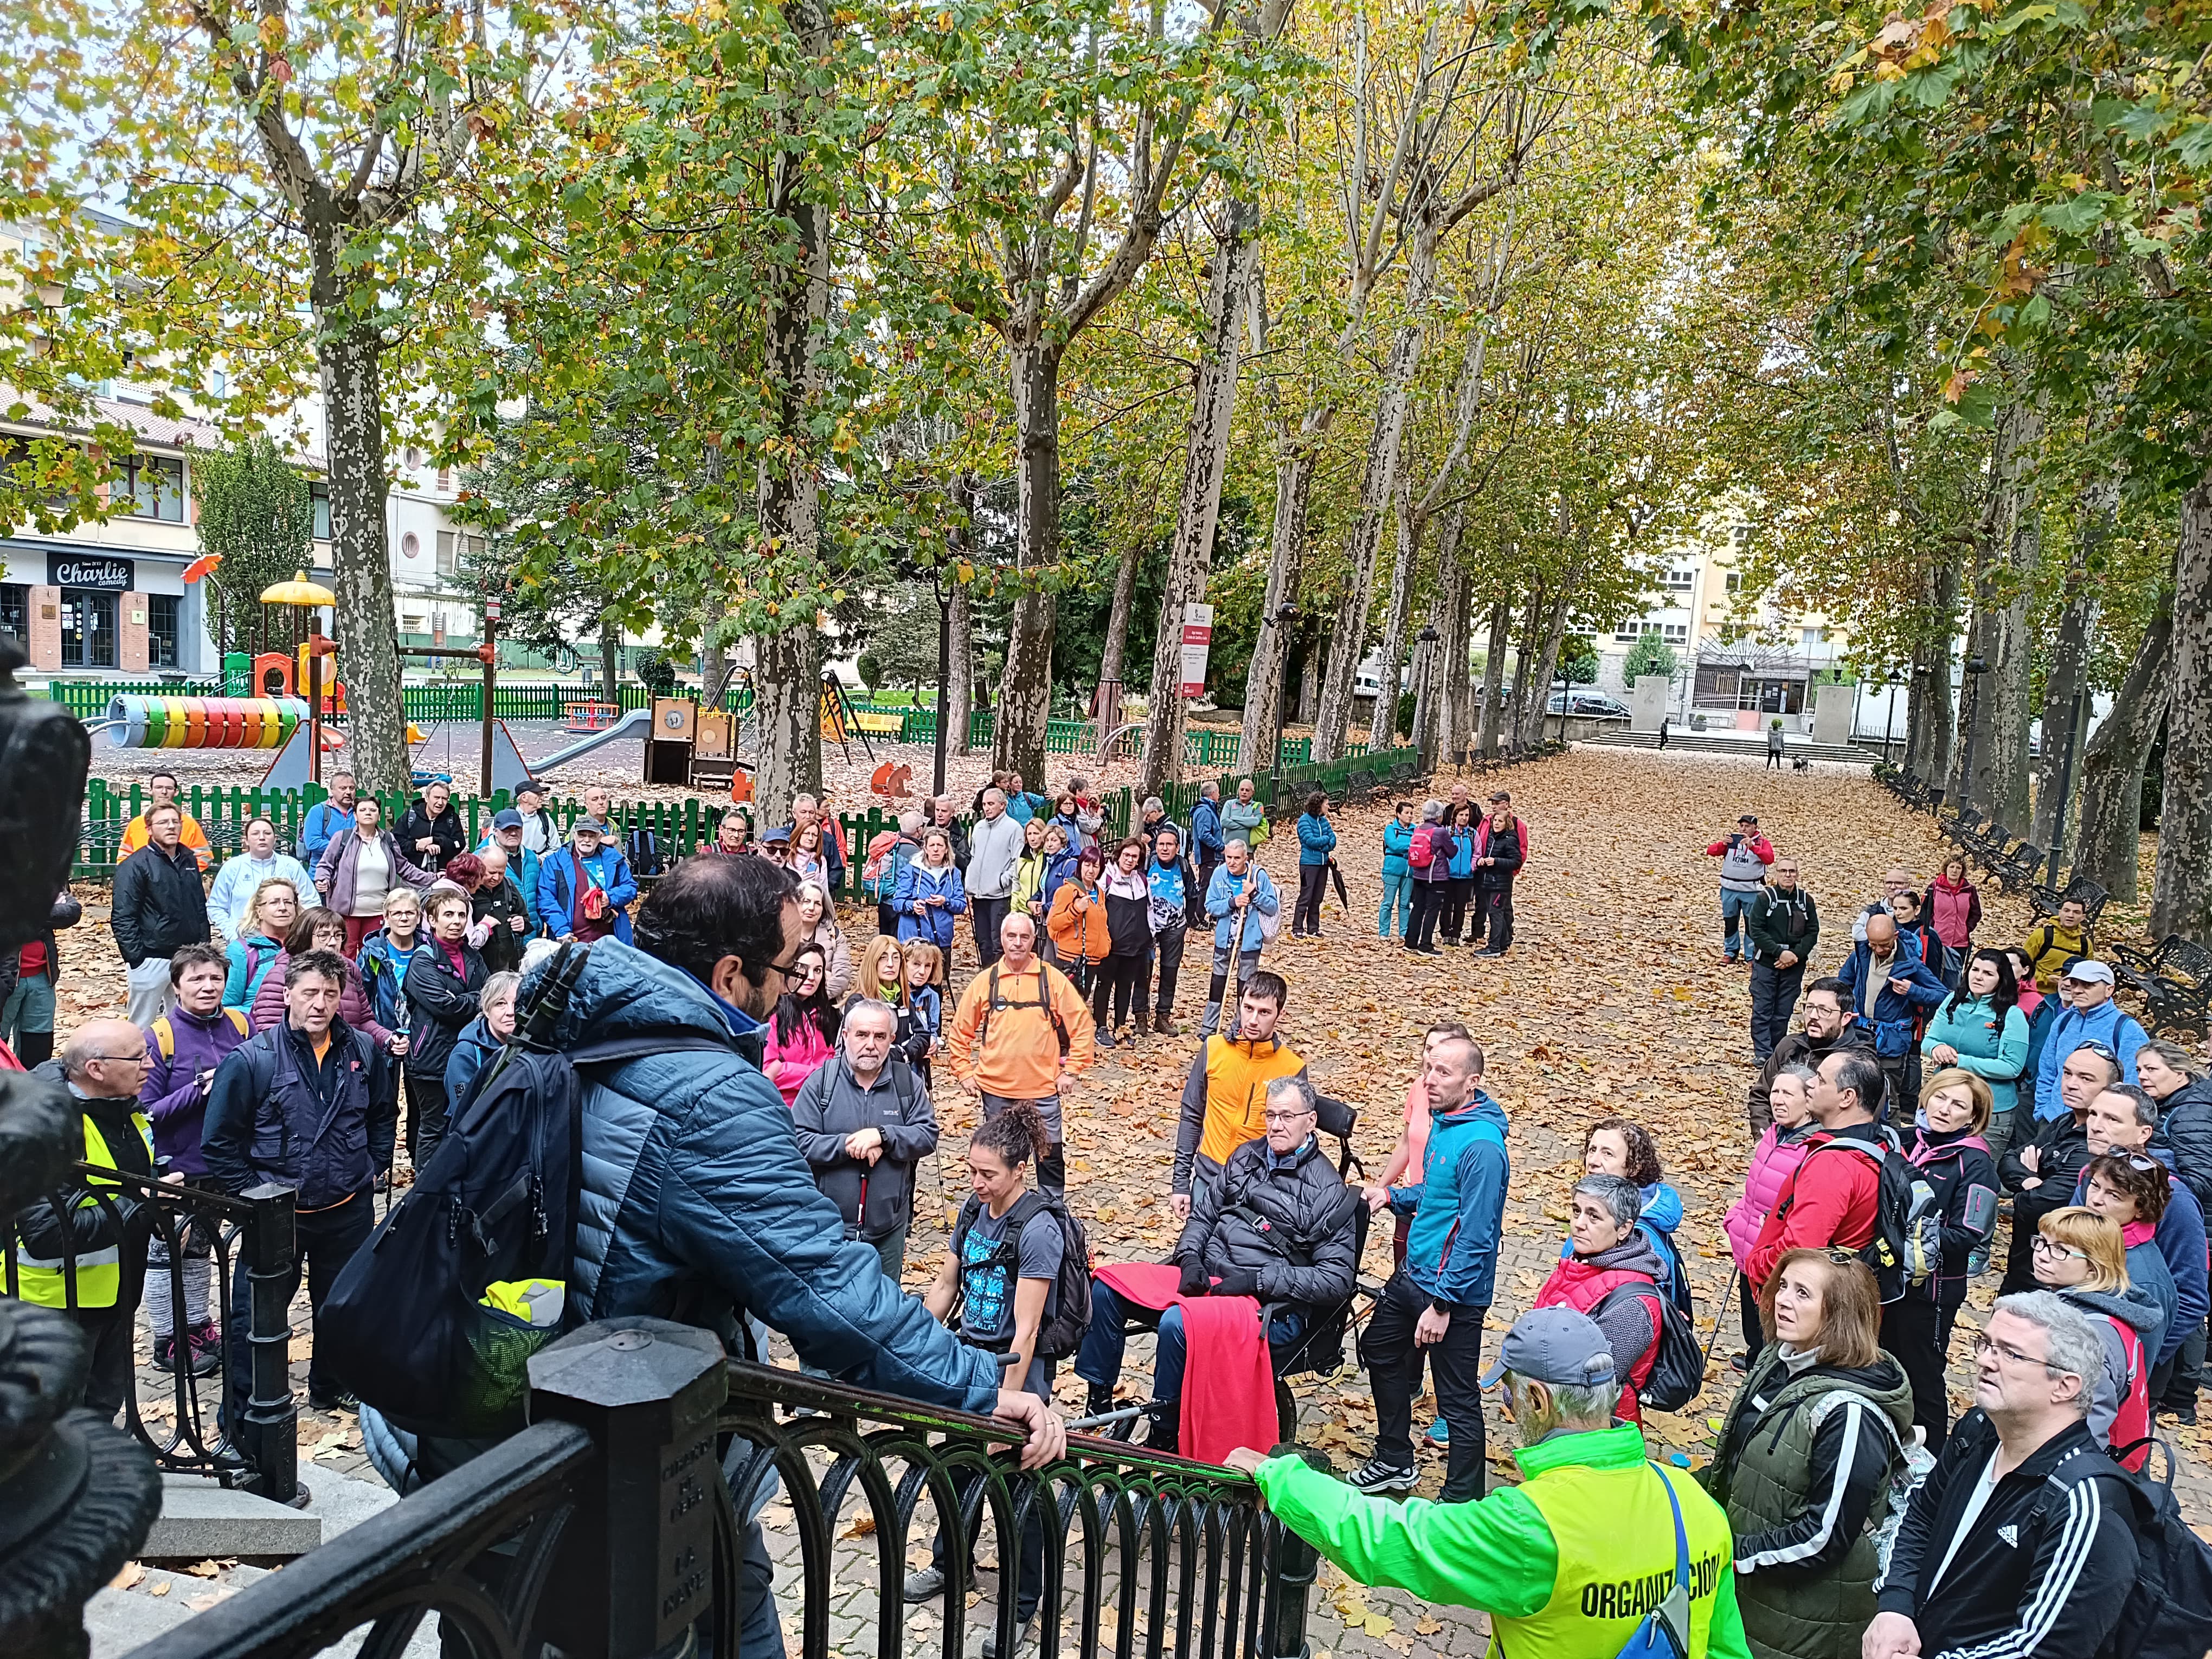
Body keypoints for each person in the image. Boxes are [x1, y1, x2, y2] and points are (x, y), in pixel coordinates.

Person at [400, 855, 1062, 1659]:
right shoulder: (706, 1093)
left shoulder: (563, 1020)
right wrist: (979, 1391)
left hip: (513, 1420)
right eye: (785, 965)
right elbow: (825, 1287)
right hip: (625, 1461)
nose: (791, 985)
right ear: (728, 972)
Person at [1230, 1305, 1753, 1659]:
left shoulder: (1531, 1527)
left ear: (1539, 1402)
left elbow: (1385, 1536)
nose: (1504, 1407)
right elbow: (1728, 1646)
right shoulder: (1693, 1501)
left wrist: (1281, 1476)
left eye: (1508, 1392)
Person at [1082, 1075, 1356, 1448]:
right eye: (1271, 1115)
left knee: (1177, 1325)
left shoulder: (1327, 1190)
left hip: (1265, 1305)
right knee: (1107, 1285)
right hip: (1207, 1280)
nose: (1276, 1125)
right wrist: (1190, 1256)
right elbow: (1204, 1215)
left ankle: (1163, 1437)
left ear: (1310, 1121)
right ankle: (1098, 1408)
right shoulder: (1246, 1155)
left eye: (1288, 1117)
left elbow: (1335, 1280)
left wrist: (1258, 1281)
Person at [1867, 1294, 2138, 1659]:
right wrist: (1896, 1606)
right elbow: (1921, 1515)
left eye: (2011, 1353)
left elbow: (2045, 1649)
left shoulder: (2085, 1503)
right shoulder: (1978, 1430)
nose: (1984, 1361)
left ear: (2065, 1386)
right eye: (1987, 1344)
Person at [204, 951, 395, 1416]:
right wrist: (256, 1195)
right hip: (276, 1213)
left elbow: (382, 1115)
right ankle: (245, 1412)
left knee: (342, 1305)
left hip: (346, 1207)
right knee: (255, 1316)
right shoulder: (253, 1060)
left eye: (331, 994)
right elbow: (220, 1142)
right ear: (288, 994)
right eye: (310, 993)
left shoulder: (363, 1051)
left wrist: (370, 1166)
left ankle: (332, 1385)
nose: (320, 1004)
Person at [912, 1099, 1064, 1654]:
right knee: (954, 1472)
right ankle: (952, 1566)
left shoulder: (1039, 1229)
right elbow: (947, 1286)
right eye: (971, 1170)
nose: (975, 1182)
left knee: (1017, 1495)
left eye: (987, 1174)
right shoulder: (972, 1211)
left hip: (1015, 1372)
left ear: (1019, 1170)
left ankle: (1023, 1605)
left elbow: (1026, 1332)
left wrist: (1009, 1403)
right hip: (969, 1361)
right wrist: (906, 1340)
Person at [1707, 1249, 1912, 1659]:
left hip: (1801, 1620)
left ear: (1840, 1314)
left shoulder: (1850, 1413)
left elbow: (1825, 1537)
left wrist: (1730, 1556)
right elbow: (1734, 1466)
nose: (1783, 1299)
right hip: (1744, 1593)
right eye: (1783, 1286)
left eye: (1803, 1293)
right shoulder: (1775, 1360)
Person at [1355, 1035, 1508, 1499]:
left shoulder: (1482, 1146)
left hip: (1452, 1295)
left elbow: (1478, 1234)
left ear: (1472, 1081)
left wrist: (1443, 1305)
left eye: (1443, 1072)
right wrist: (1392, 1195)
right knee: (1379, 1350)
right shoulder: (1446, 1123)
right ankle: (1395, 1460)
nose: (1430, 1080)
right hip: (1413, 1275)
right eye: (1427, 1069)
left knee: (1457, 1397)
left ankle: (1463, 1499)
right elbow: (1438, 1196)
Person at [6, 1020, 156, 1416]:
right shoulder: (46, 1132)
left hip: (118, 1297)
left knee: (102, 1410)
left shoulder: (127, 1111)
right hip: (57, 1307)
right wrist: (142, 1205)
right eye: (138, 1057)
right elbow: (46, 1233)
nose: (150, 1065)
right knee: (57, 1424)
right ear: (96, 1069)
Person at [140, 943, 251, 1378]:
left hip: (223, 1163)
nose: (208, 987)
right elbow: (147, 1111)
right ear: (177, 986)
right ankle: (167, 1339)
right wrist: (202, 1087)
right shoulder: (160, 1037)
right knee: (167, 1250)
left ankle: (198, 1325)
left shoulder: (240, 1024)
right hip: (177, 1165)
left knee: (201, 1248)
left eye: (215, 979)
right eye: (197, 979)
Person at [944, 910, 1096, 1198]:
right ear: (1002, 939)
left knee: (1049, 1159)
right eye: (1011, 936)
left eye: (1024, 937)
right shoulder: (986, 981)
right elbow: (960, 1030)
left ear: (1033, 940)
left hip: (1042, 1091)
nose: (1017, 943)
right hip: (996, 1092)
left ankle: (1052, 1217)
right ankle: (1000, 1213)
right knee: (999, 1160)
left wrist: (1073, 1070)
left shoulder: (1051, 979)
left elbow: (1082, 1025)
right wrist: (963, 1071)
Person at [2073, 1084, 2209, 1400]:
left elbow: (2191, 1297)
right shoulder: (2090, 1179)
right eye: (2094, 1114)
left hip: (2133, 1364)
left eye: (2112, 1119)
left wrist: (2140, 1358)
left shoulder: (2176, 1200)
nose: (2096, 1124)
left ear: (2144, 1133)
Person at [1889, 1069, 2001, 1452]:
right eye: (1940, 1098)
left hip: (1932, 1292)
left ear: (1972, 1118)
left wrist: (1903, 1243)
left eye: (1958, 1105)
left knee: (1923, 1376)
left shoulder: (1976, 1164)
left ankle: (1930, 1461)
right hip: (1885, 1283)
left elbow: (1969, 1233)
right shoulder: (1902, 1141)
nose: (1945, 1109)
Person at [792, 998, 939, 1279]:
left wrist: (883, 1137)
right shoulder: (822, 1083)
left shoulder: (906, 1083)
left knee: (885, 1311)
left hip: (889, 1229)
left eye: (880, 1036)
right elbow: (798, 1140)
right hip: (829, 1229)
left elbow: (927, 1134)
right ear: (846, 1036)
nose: (870, 1044)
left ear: (892, 1040)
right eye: (862, 1035)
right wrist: (849, 1146)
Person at [1745, 1050, 1888, 1301]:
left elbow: (1799, 1248)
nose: (1810, 1083)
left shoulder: (1834, 1165)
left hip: (1810, 1302)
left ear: (1847, 1098)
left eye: (1821, 1080)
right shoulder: (1879, 1144)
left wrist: (1756, 1265)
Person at [2031, 1206, 2163, 1467]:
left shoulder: (2088, 1334)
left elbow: (2090, 1424)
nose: (2042, 1256)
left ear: (2094, 1268)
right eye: (2042, 1243)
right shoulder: (2106, 1304)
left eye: (2060, 1250)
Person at [1531, 1174, 1667, 1422]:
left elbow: (1587, 1390)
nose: (1579, 1224)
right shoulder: (1580, 1263)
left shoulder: (1632, 1305)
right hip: (1552, 1423)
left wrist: (1520, 1389)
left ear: (1624, 1228)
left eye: (1594, 1216)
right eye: (1576, 1211)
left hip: (1593, 1439)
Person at [1171, 970, 1307, 1216]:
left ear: (1280, 1015)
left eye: (1264, 1012)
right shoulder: (1214, 1049)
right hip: (1207, 1177)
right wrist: (1181, 1184)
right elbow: (1192, 1115)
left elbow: (1297, 1141)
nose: (1253, 1019)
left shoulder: (1292, 1068)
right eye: (1249, 1008)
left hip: (1257, 1186)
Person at [1724, 1062, 1822, 1364]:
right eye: (1775, 1092)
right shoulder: (1773, 1135)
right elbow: (1753, 1189)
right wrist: (1736, 1219)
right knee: (1751, 1324)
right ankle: (1755, 1359)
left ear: (1809, 1101)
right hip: (1748, 1247)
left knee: (1772, 1328)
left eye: (1788, 1094)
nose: (1778, 1100)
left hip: (1774, 1255)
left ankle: (1765, 1369)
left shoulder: (1812, 1148)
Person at [1996, 1042, 2108, 1295]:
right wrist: (2030, 1181)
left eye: (2086, 1078)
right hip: (2025, 1262)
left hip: (2055, 1280)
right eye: (2067, 1073)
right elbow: (2008, 1161)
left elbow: (2036, 1205)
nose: (2070, 1083)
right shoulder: (2066, 1120)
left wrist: (2030, 1184)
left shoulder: (2093, 1145)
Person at [400, 886, 487, 1168]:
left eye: (462, 915)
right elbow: (445, 1006)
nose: (456, 921)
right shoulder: (423, 959)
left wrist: (469, 1000)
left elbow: (490, 998)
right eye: (448, 915)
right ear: (432, 920)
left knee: (464, 1120)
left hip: (466, 1053)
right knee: (434, 1124)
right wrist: (474, 1001)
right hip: (431, 1056)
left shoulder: (473, 957)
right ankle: (424, 1186)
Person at [1919, 947, 2029, 1162]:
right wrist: (1935, 1049)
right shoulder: (1953, 1001)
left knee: (1976, 1173)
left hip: (1991, 1110)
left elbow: (2012, 1066)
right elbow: (1930, 1040)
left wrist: (1961, 1061)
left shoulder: (2012, 1015)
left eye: (1988, 973)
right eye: (1975, 970)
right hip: (1945, 1101)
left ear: (2001, 979)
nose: (1978, 977)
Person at [112, 800, 209, 1027]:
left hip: (188, 957)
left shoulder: (189, 860)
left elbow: (198, 906)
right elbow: (123, 916)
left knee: (185, 1023)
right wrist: (137, 959)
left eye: (176, 822)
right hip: (150, 957)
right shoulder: (134, 865)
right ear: (149, 829)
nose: (171, 827)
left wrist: (203, 948)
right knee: (141, 1025)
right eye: (163, 822)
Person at [1835, 911, 1946, 1105]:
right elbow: (1842, 984)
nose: (1878, 950)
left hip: (1892, 1040)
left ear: (1895, 937)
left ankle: (1891, 1133)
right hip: (1859, 1035)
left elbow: (1942, 995)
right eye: (1873, 944)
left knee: (1888, 1097)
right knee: (1853, 1091)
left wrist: (1912, 990)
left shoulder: (1910, 963)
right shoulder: (1860, 955)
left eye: (1884, 945)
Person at [1576, 1117, 1686, 1310]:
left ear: (1634, 1167)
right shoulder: (1598, 1208)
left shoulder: (1642, 1238)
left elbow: (1645, 1311)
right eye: (1592, 1150)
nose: (1593, 1161)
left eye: (1607, 1154)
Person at [249, 905, 395, 1049]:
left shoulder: (349, 969)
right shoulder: (280, 975)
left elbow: (364, 1021)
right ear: (305, 937)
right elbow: (269, 1034)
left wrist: (388, 1039)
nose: (333, 942)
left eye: (338, 935)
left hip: (344, 1060)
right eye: (323, 935)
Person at [1746, 979, 1875, 1136]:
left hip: (1826, 1151)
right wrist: (1763, 1138)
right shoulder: (1789, 1046)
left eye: (1824, 1011)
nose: (1813, 1016)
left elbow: (1864, 1123)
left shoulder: (1859, 1063)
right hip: (1777, 1145)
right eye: (1809, 1008)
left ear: (1846, 1018)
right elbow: (1761, 1095)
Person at [316, 795, 435, 956]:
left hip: (378, 911)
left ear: (379, 815)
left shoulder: (387, 839)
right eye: (363, 810)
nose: (368, 813)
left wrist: (432, 879)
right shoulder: (342, 838)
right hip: (345, 913)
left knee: (374, 954)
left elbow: (404, 868)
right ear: (355, 815)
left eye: (373, 810)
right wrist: (322, 879)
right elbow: (326, 864)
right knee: (345, 954)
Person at [2031, 959, 2147, 1117]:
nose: (2077, 990)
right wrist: (2043, 1111)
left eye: (2087, 985)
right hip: (2054, 1119)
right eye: (2074, 984)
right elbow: (2048, 1069)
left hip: (2096, 1125)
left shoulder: (2127, 1029)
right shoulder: (2063, 1022)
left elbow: (2133, 1085)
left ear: (2109, 990)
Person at [1202, 838, 1281, 1037]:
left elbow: (1272, 907)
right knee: (1218, 983)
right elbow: (1210, 905)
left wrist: (1254, 894)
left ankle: (1241, 1027)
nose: (1232, 862)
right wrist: (1232, 902)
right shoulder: (1219, 874)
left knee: (1244, 986)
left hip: (1249, 941)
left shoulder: (1258, 876)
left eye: (1237, 858)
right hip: (1225, 939)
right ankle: (1210, 1027)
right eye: (1229, 857)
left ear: (1246, 858)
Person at [1747, 854, 1819, 1063]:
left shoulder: (1806, 901)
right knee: (1763, 1009)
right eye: (1783, 871)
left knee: (1783, 1011)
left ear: (1797, 874)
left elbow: (1813, 931)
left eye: (1792, 871)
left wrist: (1795, 955)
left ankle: (1776, 1053)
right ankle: (1762, 1054)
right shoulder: (1765, 899)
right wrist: (1780, 953)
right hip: (1767, 965)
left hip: (1794, 966)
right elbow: (1756, 931)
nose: (1788, 875)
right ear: (1776, 874)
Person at [206, 816, 316, 942]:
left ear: (275, 839)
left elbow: (311, 902)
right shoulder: (232, 867)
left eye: (267, 833)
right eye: (255, 834)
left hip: (286, 941)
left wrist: (298, 934)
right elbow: (216, 906)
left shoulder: (291, 866)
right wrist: (232, 935)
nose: (262, 838)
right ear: (246, 840)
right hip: (242, 940)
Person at [761, 941, 839, 1108]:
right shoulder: (772, 1013)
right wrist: (817, 1075)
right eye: (802, 969)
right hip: (781, 1107)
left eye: (817, 970)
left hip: (818, 1106)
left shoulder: (821, 1014)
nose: (811, 977)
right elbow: (769, 1069)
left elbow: (830, 1057)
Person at [538, 816, 639, 944]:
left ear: (600, 837)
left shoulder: (613, 859)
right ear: (574, 835)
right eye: (582, 835)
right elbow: (546, 899)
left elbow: (630, 887)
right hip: (571, 941)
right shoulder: (555, 862)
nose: (586, 840)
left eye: (592, 836)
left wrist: (610, 898)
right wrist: (562, 929)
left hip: (611, 941)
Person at [1095, 837, 1152, 1046]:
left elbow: (1149, 911)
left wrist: (1150, 936)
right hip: (1111, 947)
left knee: (1125, 987)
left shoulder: (1142, 881)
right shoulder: (1106, 880)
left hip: (1135, 947)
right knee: (1104, 986)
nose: (1130, 860)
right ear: (1119, 855)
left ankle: (1120, 1026)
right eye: (1126, 855)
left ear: (1139, 860)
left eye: (1134, 857)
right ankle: (1101, 1027)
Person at [1143, 826, 1197, 1037]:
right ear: (1155, 847)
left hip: (1175, 928)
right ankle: (1141, 1016)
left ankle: (1163, 1016)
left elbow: (1193, 894)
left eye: (1169, 845)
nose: (1165, 848)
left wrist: (1189, 924)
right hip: (1148, 928)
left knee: (1169, 971)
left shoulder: (1183, 866)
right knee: (1144, 971)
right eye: (1161, 844)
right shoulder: (1148, 863)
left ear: (1178, 847)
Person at [442, 969, 520, 1114]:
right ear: (486, 1009)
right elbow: (463, 1114)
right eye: (501, 1003)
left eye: (516, 1004)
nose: (510, 1011)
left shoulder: (532, 1047)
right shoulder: (466, 1054)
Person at [356, 888, 427, 1041]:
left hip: (421, 1037)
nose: (404, 919)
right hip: (382, 1034)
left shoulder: (428, 950)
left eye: (410, 913)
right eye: (396, 913)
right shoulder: (373, 952)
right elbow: (362, 997)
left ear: (419, 917)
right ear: (386, 917)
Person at [964, 787, 1025, 970]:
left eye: (991, 804)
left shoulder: (1013, 828)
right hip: (978, 893)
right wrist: (970, 881)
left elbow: (1017, 860)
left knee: (997, 941)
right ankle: (986, 975)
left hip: (999, 895)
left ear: (1002, 805)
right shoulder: (979, 827)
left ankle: (999, 978)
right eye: (984, 804)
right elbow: (973, 856)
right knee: (982, 940)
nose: (987, 808)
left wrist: (1002, 881)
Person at [1705, 812, 1774, 966]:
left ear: (1755, 827)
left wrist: (1753, 847)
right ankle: (1730, 952)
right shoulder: (1732, 841)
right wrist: (1723, 845)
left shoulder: (1762, 843)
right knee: (1730, 923)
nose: (1743, 829)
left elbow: (1769, 859)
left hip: (1752, 891)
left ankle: (1751, 956)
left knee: (1752, 924)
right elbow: (1711, 851)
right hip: (1729, 889)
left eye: (1747, 826)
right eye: (1741, 826)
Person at [1045, 844, 1111, 1001]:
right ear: (1080, 865)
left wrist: (1106, 944)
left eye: (1095, 866)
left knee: (1082, 1002)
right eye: (1087, 865)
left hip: (1093, 960)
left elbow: (1102, 923)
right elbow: (1054, 923)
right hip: (1072, 960)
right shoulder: (1067, 891)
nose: (1090, 870)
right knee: (1067, 1005)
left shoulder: (1099, 892)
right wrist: (1075, 910)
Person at [223, 878, 300, 1011]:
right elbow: (229, 1006)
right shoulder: (241, 951)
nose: (282, 908)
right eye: (274, 902)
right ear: (259, 911)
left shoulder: (305, 946)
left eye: (288, 902)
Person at [894, 826, 970, 961]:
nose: (936, 849)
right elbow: (897, 903)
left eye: (940, 845)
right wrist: (913, 905)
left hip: (941, 939)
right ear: (926, 848)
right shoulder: (911, 870)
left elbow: (961, 905)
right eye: (932, 845)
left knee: (938, 979)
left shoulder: (954, 873)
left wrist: (945, 901)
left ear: (946, 849)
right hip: (914, 938)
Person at [2006, 943, 2059, 1121]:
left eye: (2011, 965)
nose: (2005, 969)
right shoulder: (1987, 993)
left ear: (2025, 969)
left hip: (2019, 1074)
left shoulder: (2036, 1002)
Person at [117, 770, 214, 869]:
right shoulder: (136, 824)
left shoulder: (189, 824)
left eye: (169, 788)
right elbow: (124, 855)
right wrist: (134, 875)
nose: (164, 792)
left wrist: (184, 874)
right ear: (151, 791)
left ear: (176, 792)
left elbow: (204, 857)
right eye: (159, 788)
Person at [1470, 790, 1526, 957]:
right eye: (1495, 820)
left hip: (1501, 879)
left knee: (1500, 911)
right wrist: (1480, 862)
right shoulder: (1487, 824)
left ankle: (1500, 944)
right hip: (1487, 877)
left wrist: (1504, 868)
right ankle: (1489, 939)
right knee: (1487, 908)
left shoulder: (1513, 833)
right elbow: (1481, 846)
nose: (1494, 807)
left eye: (1497, 803)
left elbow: (1518, 856)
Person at [468, 847, 533, 973]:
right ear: (480, 866)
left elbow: (525, 917)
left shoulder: (508, 885)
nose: (496, 878)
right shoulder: (469, 890)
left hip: (507, 962)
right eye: (491, 873)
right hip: (477, 963)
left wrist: (522, 924)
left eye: (501, 872)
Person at [478, 809, 544, 927]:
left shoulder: (532, 858)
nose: (513, 833)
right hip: (498, 937)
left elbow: (540, 894)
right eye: (507, 829)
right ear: (495, 832)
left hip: (531, 931)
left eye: (517, 829)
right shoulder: (480, 858)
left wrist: (536, 923)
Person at [1402, 799, 1450, 957]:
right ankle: (1426, 944)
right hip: (1435, 877)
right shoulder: (1440, 832)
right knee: (1432, 910)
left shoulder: (1418, 829)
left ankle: (1410, 942)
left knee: (1418, 908)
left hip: (1418, 874)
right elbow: (1452, 851)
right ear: (1439, 815)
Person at [2018, 894, 2095, 992]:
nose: (2070, 916)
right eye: (2066, 911)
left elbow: (2087, 975)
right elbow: (2021, 967)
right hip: (2036, 992)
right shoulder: (2042, 935)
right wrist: (2045, 979)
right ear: (2060, 913)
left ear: (2083, 917)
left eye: (2076, 912)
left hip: (2069, 996)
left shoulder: (2086, 945)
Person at [896, 940, 946, 1084]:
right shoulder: (897, 995)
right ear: (904, 964)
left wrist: (934, 1043)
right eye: (916, 964)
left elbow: (934, 1030)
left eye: (928, 966)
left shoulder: (932, 997)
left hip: (919, 1068)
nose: (922, 972)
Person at [396, 778, 465, 873]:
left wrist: (434, 840)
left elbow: (459, 844)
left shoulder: (452, 818)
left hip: (442, 877)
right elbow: (396, 842)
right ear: (427, 798)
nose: (440, 803)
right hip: (412, 876)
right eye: (436, 798)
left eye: (444, 799)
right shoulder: (411, 816)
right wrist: (417, 846)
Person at [1293, 791, 1337, 938]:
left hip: (1323, 863)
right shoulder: (1304, 821)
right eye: (1326, 804)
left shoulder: (1324, 821)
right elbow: (1310, 841)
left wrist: (1324, 845)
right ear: (1319, 805)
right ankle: (1297, 927)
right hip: (1309, 864)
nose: (1328, 807)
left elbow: (1333, 840)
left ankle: (1313, 927)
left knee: (1317, 897)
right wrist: (1325, 841)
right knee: (1306, 896)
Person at [1927, 854, 1982, 967]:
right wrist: (1932, 929)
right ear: (1946, 868)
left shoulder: (1970, 890)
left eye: (1958, 868)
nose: (1954, 871)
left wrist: (1966, 929)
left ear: (1962, 871)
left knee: (1955, 974)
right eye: (1952, 867)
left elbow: (1976, 913)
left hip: (1960, 942)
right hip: (1937, 938)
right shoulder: (1934, 887)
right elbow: (1925, 911)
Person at [1435, 800, 1477, 947]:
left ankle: (1456, 934)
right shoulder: (1447, 832)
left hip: (1465, 877)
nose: (1464, 818)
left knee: (1460, 907)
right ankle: (1445, 933)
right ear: (1455, 816)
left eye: (1467, 815)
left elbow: (1477, 852)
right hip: (1449, 876)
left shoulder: (1473, 834)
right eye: (1461, 815)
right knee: (1446, 906)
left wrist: (1472, 867)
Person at [298, 771, 358, 867]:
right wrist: (346, 846)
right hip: (321, 874)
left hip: (351, 874)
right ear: (332, 790)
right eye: (343, 788)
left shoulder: (359, 812)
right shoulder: (318, 811)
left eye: (352, 788)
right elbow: (313, 843)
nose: (348, 792)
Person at [1377, 800, 1416, 940]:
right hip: (1392, 869)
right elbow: (1394, 845)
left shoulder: (1415, 830)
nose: (1410, 816)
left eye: (1412, 813)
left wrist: (1408, 847)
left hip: (1409, 871)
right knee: (1388, 902)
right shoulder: (1391, 829)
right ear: (1398, 814)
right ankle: (1383, 932)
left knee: (1405, 904)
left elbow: (1419, 846)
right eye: (1407, 813)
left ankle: (1404, 932)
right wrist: (1411, 846)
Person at [1851, 866, 1916, 946]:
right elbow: (1857, 933)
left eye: (1898, 883)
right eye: (1889, 883)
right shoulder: (1873, 910)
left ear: (1908, 886)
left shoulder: (1915, 910)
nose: (1893, 887)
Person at [1009, 816, 1052, 921]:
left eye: (1036, 834)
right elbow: (1016, 883)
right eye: (1029, 834)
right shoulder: (1022, 854)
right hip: (1023, 911)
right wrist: (1014, 910)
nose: (1033, 838)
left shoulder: (1049, 856)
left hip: (1043, 912)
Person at [848, 933, 904, 1008]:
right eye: (883, 957)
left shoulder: (903, 997)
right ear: (872, 962)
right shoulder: (858, 1002)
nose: (891, 964)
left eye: (896, 957)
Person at [1190, 780, 1226, 898]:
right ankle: (1197, 915)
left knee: (1209, 885)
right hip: (1209, 855)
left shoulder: (1207, 809)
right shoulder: (1204, 810)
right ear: (1213, 793)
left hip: (1210, 855)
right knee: (1206, 887)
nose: (1219, 795)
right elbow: (1204, 835)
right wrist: (1220, 847)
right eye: (1218, 793)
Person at [510, 781, 559, 858]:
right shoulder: (507, 818)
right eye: (538, 794)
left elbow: (556, 848)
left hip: (539, 867)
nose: (542, 798)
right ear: (524, 798)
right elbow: (492, 845)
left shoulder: (546, 819)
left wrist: (540, 860)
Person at [1221, 776, 1266, 856]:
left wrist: (1234, 818)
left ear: (1253, 792)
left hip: (1247, 850)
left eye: (1247, 790)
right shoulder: (1230, 804)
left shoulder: (1258, 806)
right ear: (1238, 791)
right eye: (1242, 790)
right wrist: (1247, 825)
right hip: (1229, 847)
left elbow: (1255, 822)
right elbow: (1224, 822)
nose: (1244, 792)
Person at [924, 794, 969, 871]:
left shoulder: (960, 833)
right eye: (937, 810)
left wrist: (947, 845)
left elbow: (965, 863)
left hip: (950, 877)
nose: (939, 815)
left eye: (944, 811)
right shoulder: (926, 829)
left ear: (952, 813)